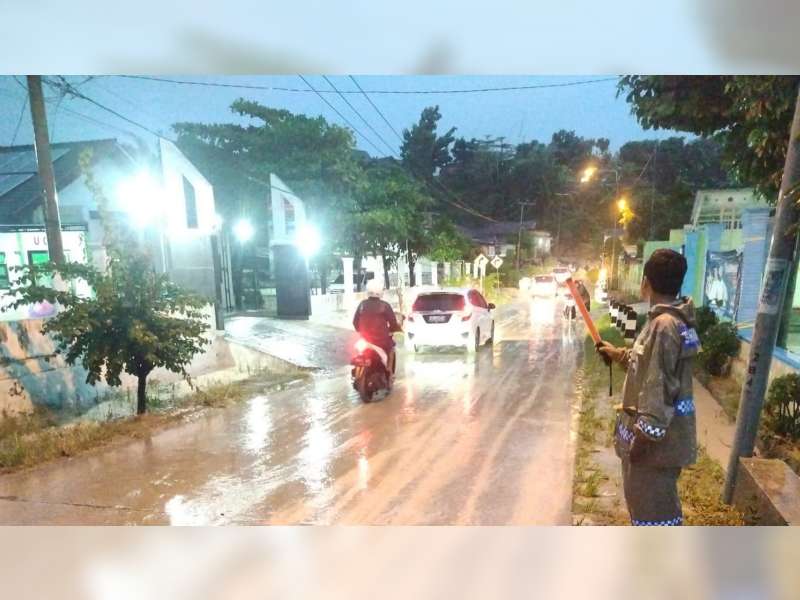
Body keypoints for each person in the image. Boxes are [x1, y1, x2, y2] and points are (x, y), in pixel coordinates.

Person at [597, 248, 699, 526]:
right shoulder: (671, 321)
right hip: (660, 446)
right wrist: (618, 354)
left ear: (645, 283)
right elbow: (647, 364)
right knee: (649, 514)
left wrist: (641, 444)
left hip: (653, 450)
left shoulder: (664, 326)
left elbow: (658, 390)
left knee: (655, 517)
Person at [353, 279, 402, 374]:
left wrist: (361, 332)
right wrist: (392, 330)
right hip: (382, 341)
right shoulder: (385, 306)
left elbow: (355, 322)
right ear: (380, 292)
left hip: (364, 340)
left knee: (357, 352)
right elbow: (393, 323)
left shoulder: (362, 304)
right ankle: (389, 372)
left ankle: (357, 373)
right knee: (392, 348)